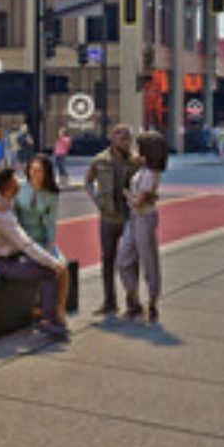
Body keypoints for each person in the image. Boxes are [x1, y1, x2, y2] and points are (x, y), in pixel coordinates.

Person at [0, 166, 71, 340]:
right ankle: (47, 320)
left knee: (50, 267)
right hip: (5, 263)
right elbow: (26, 245)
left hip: (16, 257)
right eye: (15, 179)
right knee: (51, 272)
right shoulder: (3, 218)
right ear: (10, 185)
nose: (19, 180)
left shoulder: (4, 200)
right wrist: (53, 262)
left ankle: (43, 311)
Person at [83, 125, 137, 317]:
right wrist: (96, 199)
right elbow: (87, 181)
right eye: (123, 139)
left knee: (131, 260)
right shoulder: (99, 160)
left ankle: (133, 302)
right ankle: (109, 301)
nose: (126, 143)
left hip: (129, 217)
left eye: (128, 139)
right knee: (108, 259)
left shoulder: (135, 161)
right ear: (113, 139)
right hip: (107, 217)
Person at [115, 131, 169, 323]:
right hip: (135, 218)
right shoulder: (144, 169)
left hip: (144, 218)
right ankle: (134, 299)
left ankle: (152, 301)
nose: (136, 149)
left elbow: (139, 202)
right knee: (123, 260)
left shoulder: (150, 174)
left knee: (149, 260)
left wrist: (125, 194)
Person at [16, 154, 65, 269]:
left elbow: (51, 222)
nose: (33, 173)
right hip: (19, 237)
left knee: (61, 266)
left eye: (38, 171)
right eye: (31, 169)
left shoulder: (51, 194)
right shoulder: (19, 186)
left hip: (39, 237)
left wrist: (50, 245)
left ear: (46, 173)